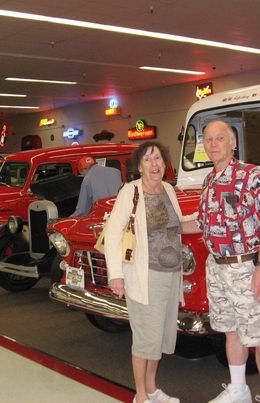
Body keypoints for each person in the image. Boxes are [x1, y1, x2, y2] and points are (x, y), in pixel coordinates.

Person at [182, 120, 260, 403]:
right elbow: (201, 223)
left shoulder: (250, 175)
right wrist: (168, 225)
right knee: (230, 331)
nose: (213, 144)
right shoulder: (209, 180)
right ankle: (239, 390)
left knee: (259, 335)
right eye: (208, 139)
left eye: (219, 138)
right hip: (217, 267)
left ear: (233, 143)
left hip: (244, 267)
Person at [105, 142, 183, 403]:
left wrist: (206, 220)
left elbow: (177, 225)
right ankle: (140, 395)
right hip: (145, 276)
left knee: (158, 337)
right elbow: (113, 234)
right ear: (139, 167)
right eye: (148, 160)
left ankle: (151, 389)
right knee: (145, 338)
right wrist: (115, 275)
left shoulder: (168, 190)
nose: (154, 164)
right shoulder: (131, 191)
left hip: (170, 276)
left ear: (165, 163)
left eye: (158, 158)